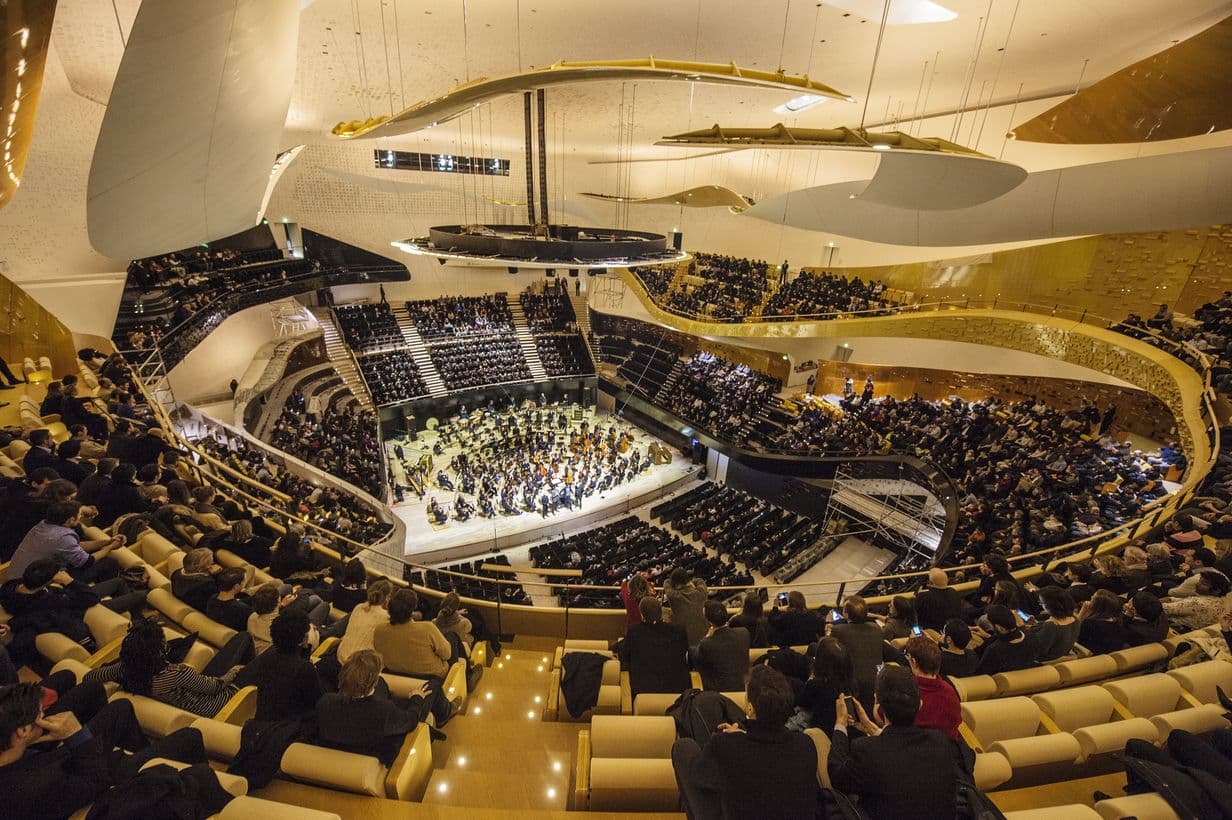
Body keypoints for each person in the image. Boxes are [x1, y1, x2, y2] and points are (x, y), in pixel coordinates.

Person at [0, 683, 214, 820]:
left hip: (67, 763)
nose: (45, 715)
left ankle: (146, 755)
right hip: (95, 787)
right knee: (190, 737)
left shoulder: (12, 753)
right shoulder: (25, 790)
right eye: (41, 713)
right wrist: (78, 738)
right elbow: (95, 782)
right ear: (23, 730)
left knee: (120, 708)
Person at [672, 665, 819, 820]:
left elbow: (699, 776)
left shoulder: (726, 745)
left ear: (750, 709)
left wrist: (727, 741)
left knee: (683, 748)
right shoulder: (806, 745)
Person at [828, 665, 966, 820]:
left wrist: (840, 724)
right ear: (920, 705)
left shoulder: (867, 750)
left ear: (878, 704)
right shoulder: (942, 742)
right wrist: (870, 727)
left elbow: (837, 777)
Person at [84, 619, 246, 717]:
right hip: (221, 702)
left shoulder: (126, 668)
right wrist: (233, 672)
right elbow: (214, 687)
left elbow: (89, 677)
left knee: (241, 639)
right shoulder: (177, 673)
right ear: (158, 649)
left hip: (197, 692)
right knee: (244, 639)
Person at [315, 650, 433, 766]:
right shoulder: (383, 710)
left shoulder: (325, 701)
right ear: (372, 682)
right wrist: (417, 698)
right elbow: (411, 720)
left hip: (336, 751)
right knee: (433, 687)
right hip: (369, 755)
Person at [372, 589, 461, 727]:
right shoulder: (427, 628)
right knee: (452, 637)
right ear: (412, 610)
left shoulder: (379, 629)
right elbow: (447, 654)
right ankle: (462, 684)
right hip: (431, 677)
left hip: (394, 672)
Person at [6, 501, 126, 583]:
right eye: (80, 515)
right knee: (110, 563)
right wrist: (110, 548)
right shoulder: (63, 537)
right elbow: (87, 562)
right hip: (36, 581)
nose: (81, 517)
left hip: (19, 574)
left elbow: (76, 546)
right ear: (70, 520)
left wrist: (107, 542)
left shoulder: (42, 525)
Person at [242, 609, 325, 722]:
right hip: (289, 727)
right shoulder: (305, 669)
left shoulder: (265, 659)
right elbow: (317, 702)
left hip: (264, 722)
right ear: (302, 638)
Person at [618, 597, 690, 699]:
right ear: (661, 612)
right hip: (676, 689)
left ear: (642, 615)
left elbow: (625, 656)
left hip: (642, 689)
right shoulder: (679, 631)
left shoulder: (634, 631)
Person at [830, 595, 893, 709]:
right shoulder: (876, 628)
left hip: (851, 688)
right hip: (876, 684)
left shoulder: (838, 630)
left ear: (846, 614)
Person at [904, 636, 960, 739]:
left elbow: (881, 716)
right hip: (948, 749)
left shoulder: (906, 690)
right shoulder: (950, 690)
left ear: (913, 661)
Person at [795, 636, 854, 731]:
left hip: (820, 732)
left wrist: (810, 679)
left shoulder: (815, 685)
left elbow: (801, 701)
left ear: (820, 662)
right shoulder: (850, 684)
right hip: (842, 729)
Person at [690, 600, 750, 692]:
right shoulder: (743, 633)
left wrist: (707, 637)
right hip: (743, 687)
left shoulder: (706, 644)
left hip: (719, 693)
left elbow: (695, 657)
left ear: (709, 621)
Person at [337, 579, 392, 664]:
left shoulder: (358, 607)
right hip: (361, 664)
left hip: (341, 656)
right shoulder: (386, 617)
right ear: (386, 598)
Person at [975, 605, 1039, 675]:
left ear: (998, 627)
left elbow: (980, 675)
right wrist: (989, 637)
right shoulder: (1031, 637)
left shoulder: (994, 650)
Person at [1026, 586, 1081, 661]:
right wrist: (1035, 623)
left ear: (1051, 605)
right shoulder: (1075, 619)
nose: (1041, 605)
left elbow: (1038, 653)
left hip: (1048, 664)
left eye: (1041, 603)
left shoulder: (1051, 626)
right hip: (1063, 657)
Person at [664, 567, 709, 647]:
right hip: (705, 638)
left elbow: (666, 582)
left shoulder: (674, 596)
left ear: (676, 585)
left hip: (686, 642)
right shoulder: (701, 592)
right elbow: (700, 580)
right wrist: (689, 582)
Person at [205, 567, 253, 632]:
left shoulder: (212, 598)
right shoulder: (243, 610)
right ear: (236, 586)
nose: (245, 583)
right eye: (244, 581)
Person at [915, 568, 963, 632]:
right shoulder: (954, 592)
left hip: (930, 634)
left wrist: (918, 595)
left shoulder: (923, 597)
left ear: (930, 582)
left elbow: (915, 615)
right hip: (953, 631)